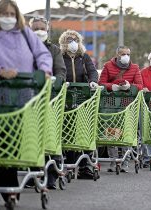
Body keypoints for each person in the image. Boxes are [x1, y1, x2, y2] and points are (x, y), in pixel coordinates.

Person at [0, 0, 52, 206]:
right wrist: (0, 70)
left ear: (17, 15)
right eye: (4, 13)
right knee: (1, 138)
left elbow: (42, 54)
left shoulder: (25, 34)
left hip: (23, 95)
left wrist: (45, 71)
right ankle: (5, 186)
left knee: (18, 139)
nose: (8, 17)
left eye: (12, 13)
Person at [30, 16, 66, 188]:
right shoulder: (24, 48)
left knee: (49, 136)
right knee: (30, 136)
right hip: (28, 99)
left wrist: (56, 81)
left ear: (47, 30)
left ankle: (51, 174)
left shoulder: (54, 50)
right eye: (35, 28)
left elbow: (60, 71)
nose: (39, 31)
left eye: (41, 28)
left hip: (49, 99)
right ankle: (32, 172)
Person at [58, 30, 99, 179]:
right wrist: (62, 83)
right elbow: (58, 72)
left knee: (83, 130)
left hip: (82, 97)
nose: (72, 42)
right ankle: (69, 163)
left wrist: (93, 81)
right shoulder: (60, 57)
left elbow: (93, 71)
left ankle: (84, 166)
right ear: (63, 42)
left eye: (75, 39)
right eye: (69, 39)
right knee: (68, 129)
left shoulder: (84, 57)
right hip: (66, 98)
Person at [99, 46, 143, 173]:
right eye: (123, 54)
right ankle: (114, 161)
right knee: (113, 132)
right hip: (111, 105)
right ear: (117, 55)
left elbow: (140, 86)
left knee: (127, 133)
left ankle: (125, 162)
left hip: (128, 104)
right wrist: (112, 87)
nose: (126, 56)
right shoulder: (108, 66)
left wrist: (130, 86)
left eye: (128, 54)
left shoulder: (134, 68)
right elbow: (101, 83)